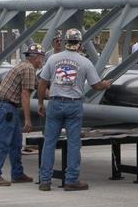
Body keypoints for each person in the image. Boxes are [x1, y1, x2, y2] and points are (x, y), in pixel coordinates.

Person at [36, 28, 112, 192]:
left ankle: (45, 181)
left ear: (65, 42)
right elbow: (96, 85)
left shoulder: (53, 59)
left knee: (49, 142)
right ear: (80, 43)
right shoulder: (85, 62)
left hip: (55, 103)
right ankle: (71, 180)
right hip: (74, 105)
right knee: (73, 144)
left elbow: (42, 83)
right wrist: (105, 85)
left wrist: (41, 103)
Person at [0, 42, 44, 187]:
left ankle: (17, 173)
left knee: (16, 142)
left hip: (5, 107)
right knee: (2, 142)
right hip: (7, 107)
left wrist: (56, 95)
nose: (42, 61)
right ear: (36, 57)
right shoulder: (28, 69)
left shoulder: (24, 66)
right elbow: (25, 95)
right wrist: (28, 120)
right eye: (41, 58)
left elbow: (40, 87)